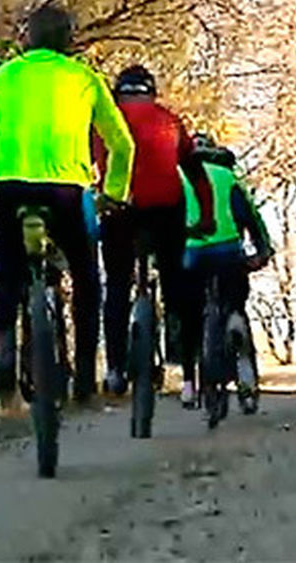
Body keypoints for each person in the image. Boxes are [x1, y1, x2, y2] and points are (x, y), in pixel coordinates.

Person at [0, 4, 135, 404]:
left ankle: (3, 357)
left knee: (5, 275)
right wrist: (115, 193)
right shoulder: (84, 78)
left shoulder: (2, 78)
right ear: (69, 41)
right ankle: (85, 374)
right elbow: (122, 144)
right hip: (68, 189)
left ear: (26, 39)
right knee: (87, 278)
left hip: (6, 187)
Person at [94, 65, 213, 397]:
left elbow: (85, 165)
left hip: (119, 208)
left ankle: (115, 370)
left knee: (117, 285)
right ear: (152, 91)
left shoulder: (104, 121)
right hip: (165, 210)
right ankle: (190, 376)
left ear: (118, 93)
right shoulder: (170, 119)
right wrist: (206, 218)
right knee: (177, 287)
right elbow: (195, 172)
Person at [181, 135, 273, 411]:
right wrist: (263, 251)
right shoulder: (227, 177)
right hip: (228, 253)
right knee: (235, 301)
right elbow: (250, 217)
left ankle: (188, 384)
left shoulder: (175, 177)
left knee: (188, 316)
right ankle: (235, 324)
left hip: (188, 255)